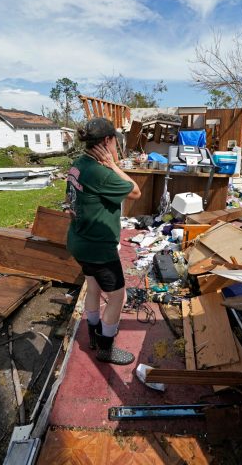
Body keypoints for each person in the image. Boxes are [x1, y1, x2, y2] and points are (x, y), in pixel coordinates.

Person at [65, 117, 141, 365]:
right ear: (107, 141)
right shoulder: (100, 172)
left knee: (93, 287)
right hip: (98, 248)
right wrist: (113, 164)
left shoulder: (78, 165)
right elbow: (135, 191)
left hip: (79, 240)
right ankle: (106, 348)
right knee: (119, 297)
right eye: (114, 141)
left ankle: (93, 336)